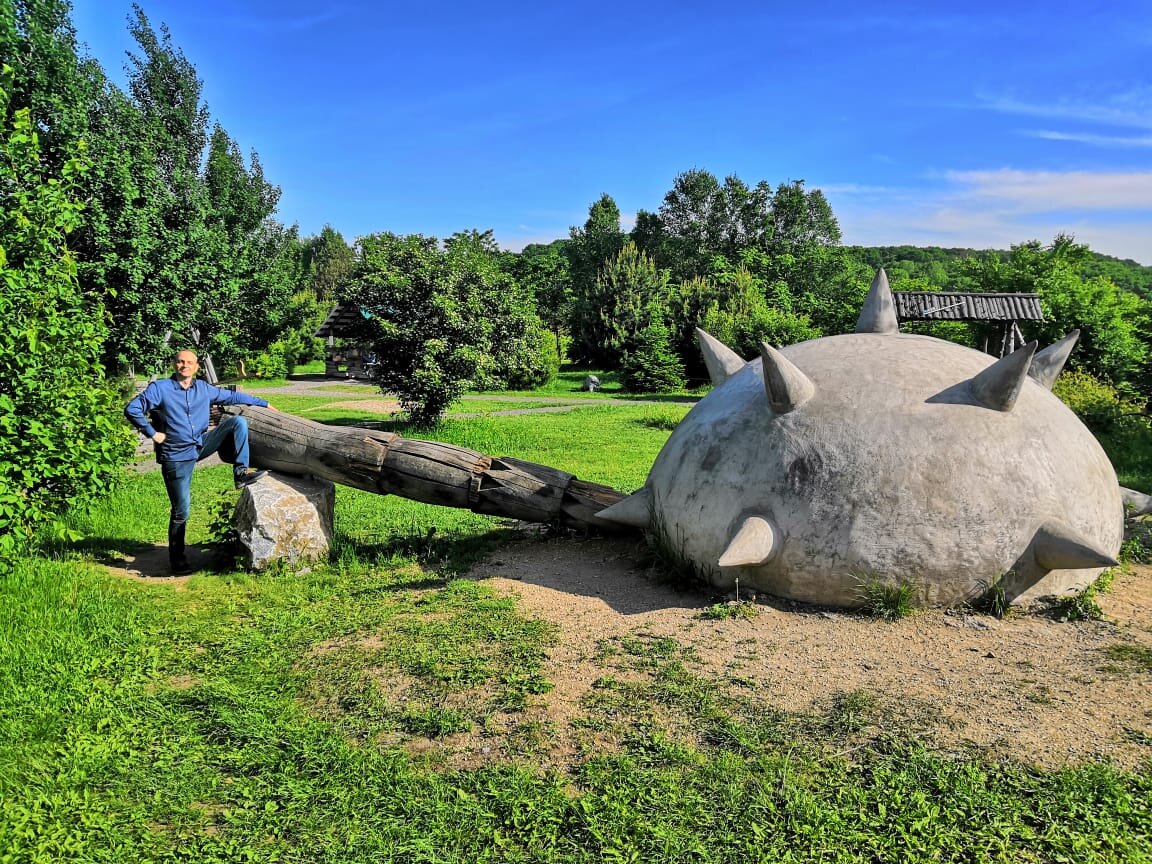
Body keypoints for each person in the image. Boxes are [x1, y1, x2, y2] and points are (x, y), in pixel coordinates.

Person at [125, 349, 272, 575]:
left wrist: (263, 403)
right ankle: (177, 560)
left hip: (199, 445)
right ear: (175, 364)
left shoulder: (202, 388)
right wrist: (152, 433)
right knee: (181, 511)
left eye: (189, 362)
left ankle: (241, 473)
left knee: (238, 422)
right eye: (181, 362)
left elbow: (231, 397)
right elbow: (132, 409)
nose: (185, 366)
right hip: (176, 455)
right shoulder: (161, 388)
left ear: (196, 367)